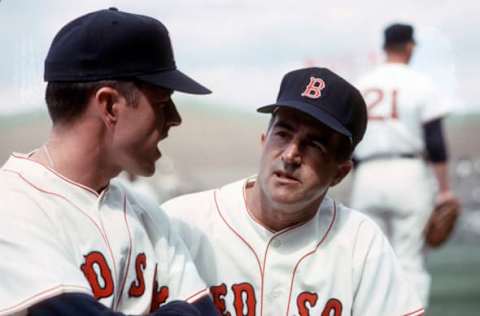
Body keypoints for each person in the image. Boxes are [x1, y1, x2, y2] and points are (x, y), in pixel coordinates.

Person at [0, 8, 219, 316]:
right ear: (110, 105)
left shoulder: (148, 214)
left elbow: (205, 312)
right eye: (161, 102)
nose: (175, 118)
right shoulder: (11, 206)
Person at [162, 67, 425, 315]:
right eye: (283, 134)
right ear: (264, 141)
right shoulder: (183, 222)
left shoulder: (360, 243)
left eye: (314, 145)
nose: (290, 155)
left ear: (339, 173)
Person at [350, 23, 456, 306]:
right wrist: (445, 190)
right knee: (409, 261)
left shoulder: (363, 84)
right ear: (410, 47)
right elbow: (435, 141)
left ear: (384, 48)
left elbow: (348, 139)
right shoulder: (420, 82)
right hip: (408, 175)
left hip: (367, 177)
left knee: (369, 260)